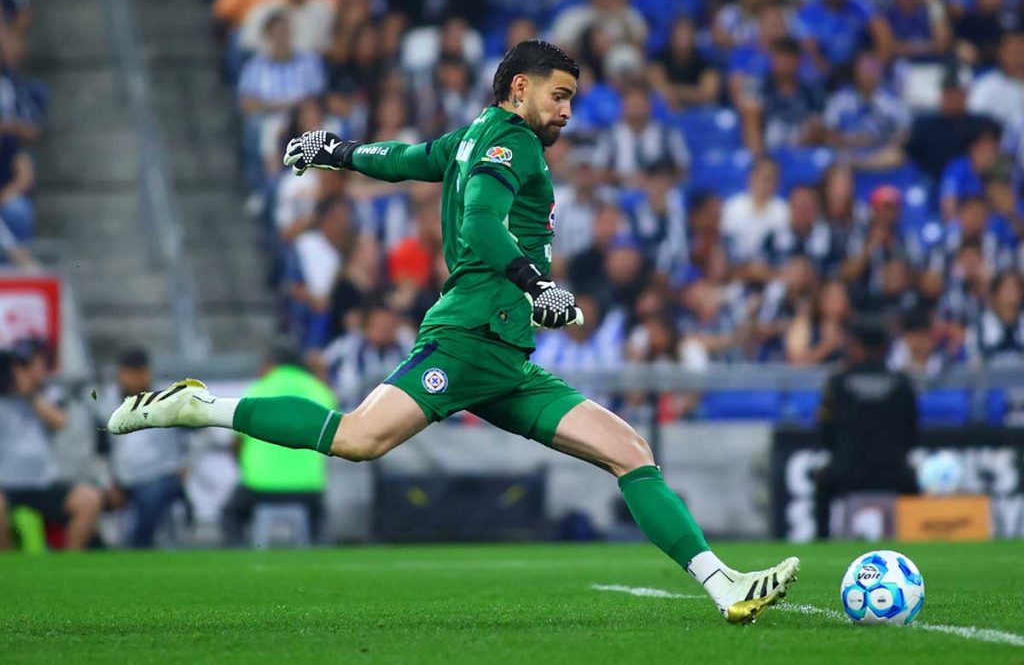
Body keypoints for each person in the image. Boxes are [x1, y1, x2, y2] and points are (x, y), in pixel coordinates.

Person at [109, 39, 798, 623]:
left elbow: (405, 160)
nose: (565, 110)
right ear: (521, 87)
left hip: (509, 359)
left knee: (628, 448)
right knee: (356, 438)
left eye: (571, 100)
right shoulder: (517, 144)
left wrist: (337, 151)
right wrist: (537, 286)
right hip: (469, 339)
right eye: (559, 95)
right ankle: (200, 406)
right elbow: (478, 226)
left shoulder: (471, 137)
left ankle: (723, 586)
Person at [221, 343, 336, 545]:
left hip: (260, 486)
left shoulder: (258, 389)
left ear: (271, 365)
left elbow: (236, 441)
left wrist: (245, 465)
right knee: (319, 515)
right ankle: (318, 549)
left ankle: (237, 554)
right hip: (308, 487)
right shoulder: (320, 391)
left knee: (230, 514)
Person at [814, 319, 918, 539]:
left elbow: (826, 433)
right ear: (884, 348)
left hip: (847, 473)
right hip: (895, 474)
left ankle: (821, 541)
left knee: (822, 486)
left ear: (856, 346)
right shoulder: (903, 383)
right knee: (914, 485)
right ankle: (916, 540)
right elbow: (913, 433)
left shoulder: (837, 382)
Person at [0, 339, 102, 550]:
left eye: (30, 364)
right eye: (20, 366)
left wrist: (29, 395)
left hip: (43, 482)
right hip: (6, 483)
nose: (25, 371)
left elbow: (59, 421)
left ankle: (70, 563)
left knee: (89, 500)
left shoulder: (48, 395)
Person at [100, 348, 190, 548]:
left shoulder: (168, 400)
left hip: (162, 475)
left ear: (144, 373)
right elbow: (103, 448)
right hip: (122, 480)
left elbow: (198, 436)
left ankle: (138, 546)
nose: (125, 379)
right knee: (91, 498)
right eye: (122, 374)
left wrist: (185, 465)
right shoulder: (108, 402)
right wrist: (109, 482)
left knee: (151, 495)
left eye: (130, 373)